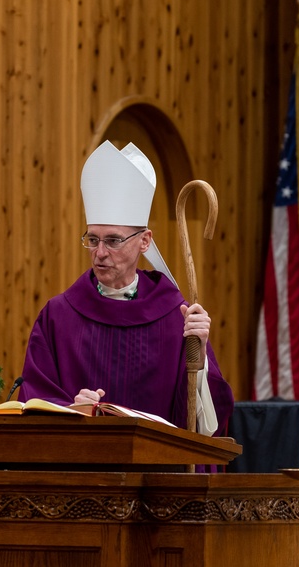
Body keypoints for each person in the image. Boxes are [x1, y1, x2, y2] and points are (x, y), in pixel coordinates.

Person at [19, 141, 235, 436]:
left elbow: (205, 426)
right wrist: (70, 409)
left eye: (113, 240)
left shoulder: (175, 316)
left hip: (157, 478)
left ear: (144, 241)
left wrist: (199, 355)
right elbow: (32, 399)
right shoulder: (58, 317)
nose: (100, 253)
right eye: (92, 240)